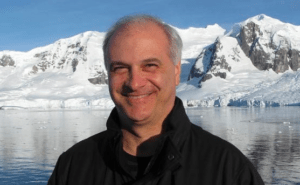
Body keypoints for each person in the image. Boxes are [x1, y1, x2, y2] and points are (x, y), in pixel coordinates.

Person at [48, 14, 264, 185]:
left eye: (150, 65)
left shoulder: (228, 170)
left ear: (177, 71)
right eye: (120, 68)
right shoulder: (73, 166)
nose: (134, 83)